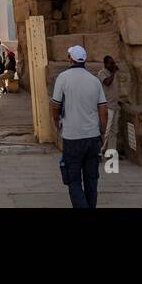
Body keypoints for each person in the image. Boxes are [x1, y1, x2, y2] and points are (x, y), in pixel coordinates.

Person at [50, 45, 108, 209]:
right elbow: (103, 111)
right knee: (91, 180)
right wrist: (102, 133)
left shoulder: (63, 77)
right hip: (92, 136)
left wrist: (56, 124)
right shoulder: (94, 80)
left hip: (72, 137)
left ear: (71, 59)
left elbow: (55, 106)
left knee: (73, 179)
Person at [98, 55, 121, 152]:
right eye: (111, 63)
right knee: (106, 131)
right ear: (105, 64)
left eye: (114, 63)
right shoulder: (102, 73)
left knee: (114, 131)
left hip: (115, 105)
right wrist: (114, 73)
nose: (113, 65)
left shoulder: (113, 74)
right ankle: (100, 151)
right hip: (107, 106)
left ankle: (111, 152)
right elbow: (107, 82)